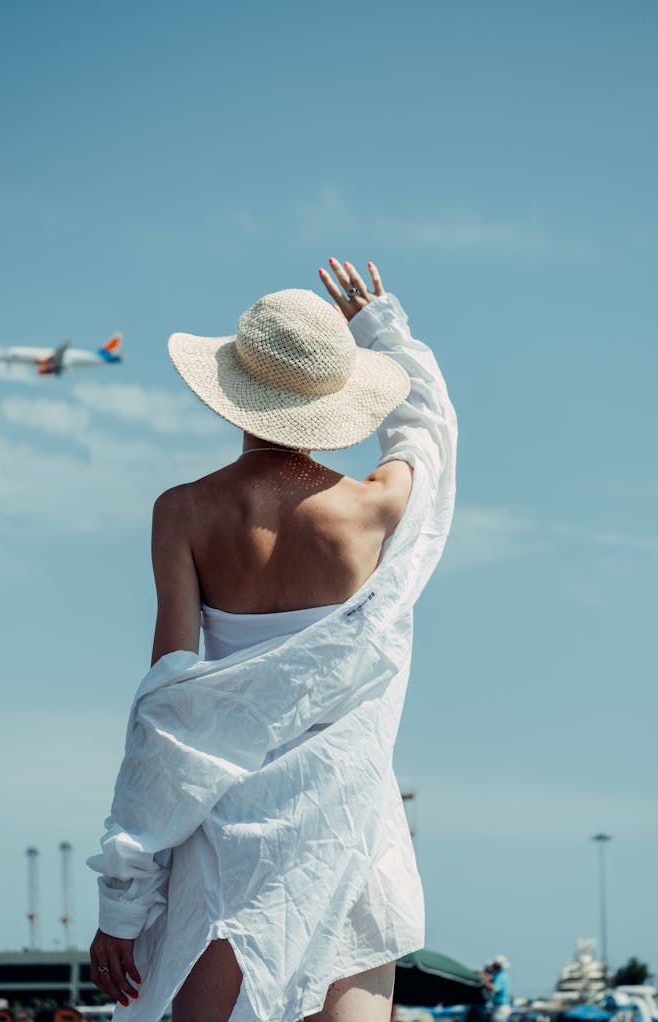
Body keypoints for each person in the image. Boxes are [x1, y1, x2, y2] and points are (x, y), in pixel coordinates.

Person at [86, 259, 458, 1022]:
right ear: (333, 397)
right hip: (349, 824)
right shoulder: (376, 508)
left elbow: (170, 710)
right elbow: (429, 434)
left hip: (228, 834)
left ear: (234, 391)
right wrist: (385, 328)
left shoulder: (184, 512)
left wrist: (124, 900)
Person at [489, 956, 512, 1022]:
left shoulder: (500, 976)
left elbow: (495, 989)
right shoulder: (501, 975)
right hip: (501, 1007)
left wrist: (485, 982)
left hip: (500, 1008)